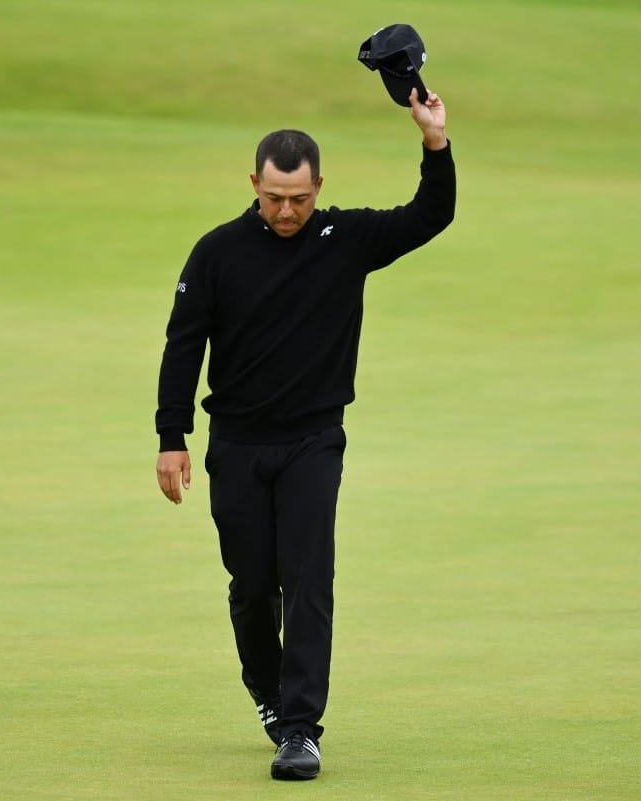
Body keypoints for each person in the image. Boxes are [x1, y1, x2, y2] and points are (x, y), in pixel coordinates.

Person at [154, 88, 453, 781]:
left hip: (314, 442)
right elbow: (183, 345)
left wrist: (434, 141)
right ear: (253, 184)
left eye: (299, 198)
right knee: (253, 583)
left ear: (319, 186)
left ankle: (300, 728)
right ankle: (268, 692)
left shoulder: (345, 240)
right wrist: (172, 436)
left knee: (309, 579)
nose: (286, 211)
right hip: (237, 444)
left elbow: (431, 214)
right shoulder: (217, 253)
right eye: (274, 198)